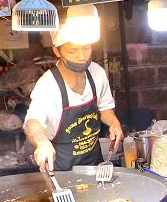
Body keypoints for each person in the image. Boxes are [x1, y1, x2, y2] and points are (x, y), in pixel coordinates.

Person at [24, 33, 123, 172]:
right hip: (61, 172)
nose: (82, 57)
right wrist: (42, 141)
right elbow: (32, 122)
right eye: (72, 51)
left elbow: (104, 107)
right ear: (57, 51)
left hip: (95, 167)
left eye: (86, 48)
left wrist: (114, 123)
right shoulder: (48, 85)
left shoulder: (96, 72)